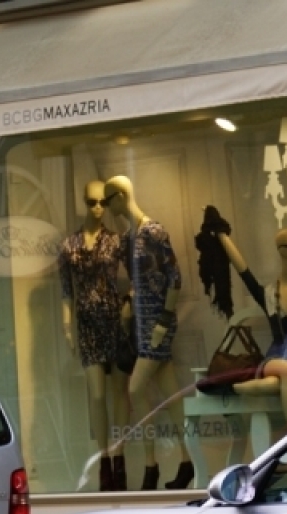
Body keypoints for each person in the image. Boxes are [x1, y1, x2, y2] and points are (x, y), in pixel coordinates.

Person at [198, 214, 287, 429]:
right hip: (277, 358)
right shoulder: (269, 293)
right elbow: (244, 271)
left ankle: (230, 387)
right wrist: (222, 236)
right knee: (285, 371)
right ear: (282, 251)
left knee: (276, 384)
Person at [104, 175, 194, 491]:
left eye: (106, 199)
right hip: (141, 325)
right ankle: (187, 460)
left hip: (158, 323)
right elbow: (135, 281)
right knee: (170, 395)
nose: (105, 207)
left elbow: (175, 276)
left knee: (136, 388)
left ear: (120, 196)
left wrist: (164, 320)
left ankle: (151, 466)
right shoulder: (128, 237)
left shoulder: (153, 232)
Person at [57, 180, 130, 491]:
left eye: (102, 202)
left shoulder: (116, 241)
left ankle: (120, 459)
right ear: (83, 202)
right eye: (92, 202)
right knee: (97, 396)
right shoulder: (68, 246)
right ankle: (104, 460)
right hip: (87, 327)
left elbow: (139, 273)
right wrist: (66, 326)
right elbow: (66, 293)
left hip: (115, 323)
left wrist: (130, 302)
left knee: (119, 394)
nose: (98, 208)